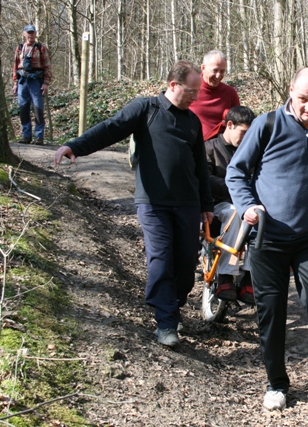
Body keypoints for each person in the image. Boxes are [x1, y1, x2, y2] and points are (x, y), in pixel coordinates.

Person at [54, 61, 214, 348]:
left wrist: (206, 204)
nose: (196, 97)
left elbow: (200, 167)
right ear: (173, 85)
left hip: (188, 203)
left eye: (198, 92)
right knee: (161, 258)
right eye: (191, 91)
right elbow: (111, 128)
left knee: (186, 261)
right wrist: (75, 146)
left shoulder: (192, 121)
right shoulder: (146, 109)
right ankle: (165, 321)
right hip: (153, 203)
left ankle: (171, 305)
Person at [226, 68, 308, 414]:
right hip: (269, 237)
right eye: (303, 99)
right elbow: (236, 172)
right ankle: (276, 384)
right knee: (271, 312)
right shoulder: (267, 125)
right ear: (290, 91)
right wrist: (248, 206)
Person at [205, 105, 256, 304]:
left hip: (247, 204)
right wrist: (236, 188)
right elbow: (204, 179)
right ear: (230, 125)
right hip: (218, 205)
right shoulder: (208, 148)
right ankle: (225, 276)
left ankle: (250, 276)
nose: (246, 138)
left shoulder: (251, 152)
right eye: (243, 132)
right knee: (237, 213)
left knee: (261, 216)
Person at [12, 24, 53, 146]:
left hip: (36, 81)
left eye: (32, 33)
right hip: (22, 81)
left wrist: (46, 83)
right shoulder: (19, 48)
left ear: (35, 34)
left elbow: (47, 67)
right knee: (23, 108)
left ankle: (39, 136)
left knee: (38, 108)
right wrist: (15, 83)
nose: (30, 35)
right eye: (28, 33)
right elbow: (15, 66)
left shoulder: (41, 48)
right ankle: (26, 136)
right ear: (24, 34)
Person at [189, 50, 240, 140]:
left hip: (220, 148)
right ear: (203, 68)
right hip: (193, 145)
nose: (218, 76)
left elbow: (238, 124)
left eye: (222, 71)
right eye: (215, 70)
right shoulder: (190, 89)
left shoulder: (230, 93)